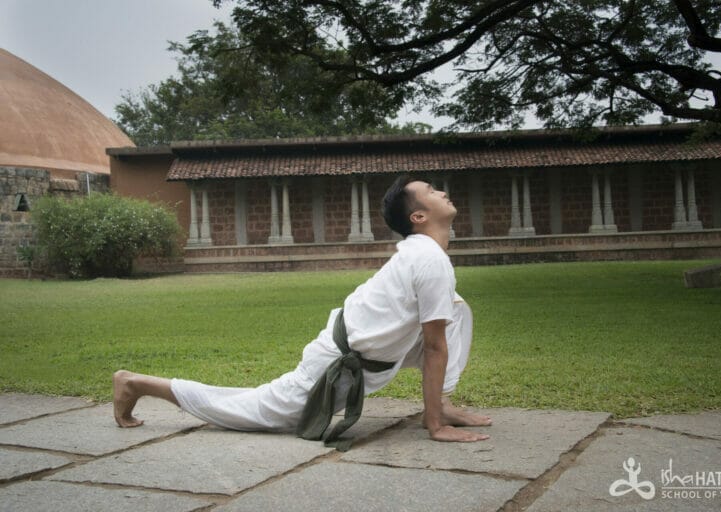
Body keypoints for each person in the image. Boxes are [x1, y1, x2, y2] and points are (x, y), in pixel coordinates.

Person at [113, 176, 491, 444]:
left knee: (456, 311)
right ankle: (136, 382)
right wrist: (435, 427)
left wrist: (435, 409)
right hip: (332, 365)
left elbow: (437, 335)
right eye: (431, 190)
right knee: (249, 411)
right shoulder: (429, 260)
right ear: (418, 217)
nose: (442, 191)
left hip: (379, 353)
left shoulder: (423, 255)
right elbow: (435, 345)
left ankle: (439, 402)